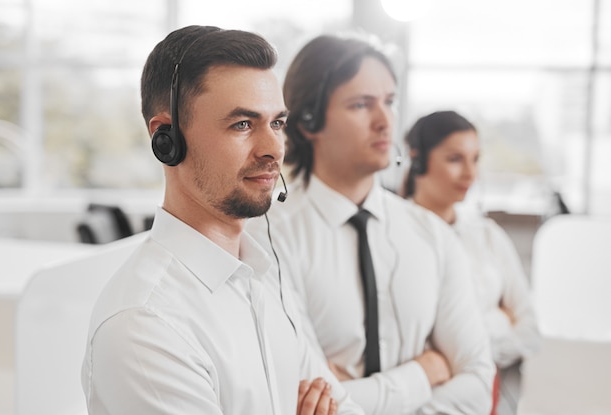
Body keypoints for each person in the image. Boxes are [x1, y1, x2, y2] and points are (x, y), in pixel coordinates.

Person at [81, 25, 364, 415]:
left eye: (276, 123)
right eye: (243, 125)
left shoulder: (266, 275)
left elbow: (343, 404)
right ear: (167, 138)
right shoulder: (145, 326)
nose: (272, 150)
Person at [246, 33, 495, 415]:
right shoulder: (267, 239)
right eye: (361, 105)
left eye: (390, 102)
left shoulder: (432, 235)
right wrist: (425, 371)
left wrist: (352, 393)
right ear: (309, 121)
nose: (384, 122)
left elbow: (478, 384)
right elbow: (295, 399)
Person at [401, 110, 541, 414]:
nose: (470, 173)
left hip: (483, 398)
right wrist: (500, 320)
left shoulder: (487, 235)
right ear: (419, 159)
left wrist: (466, 355)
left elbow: (529, 330)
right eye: (455, 159)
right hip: (418, 400)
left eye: (475, 159)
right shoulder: (394, 234)